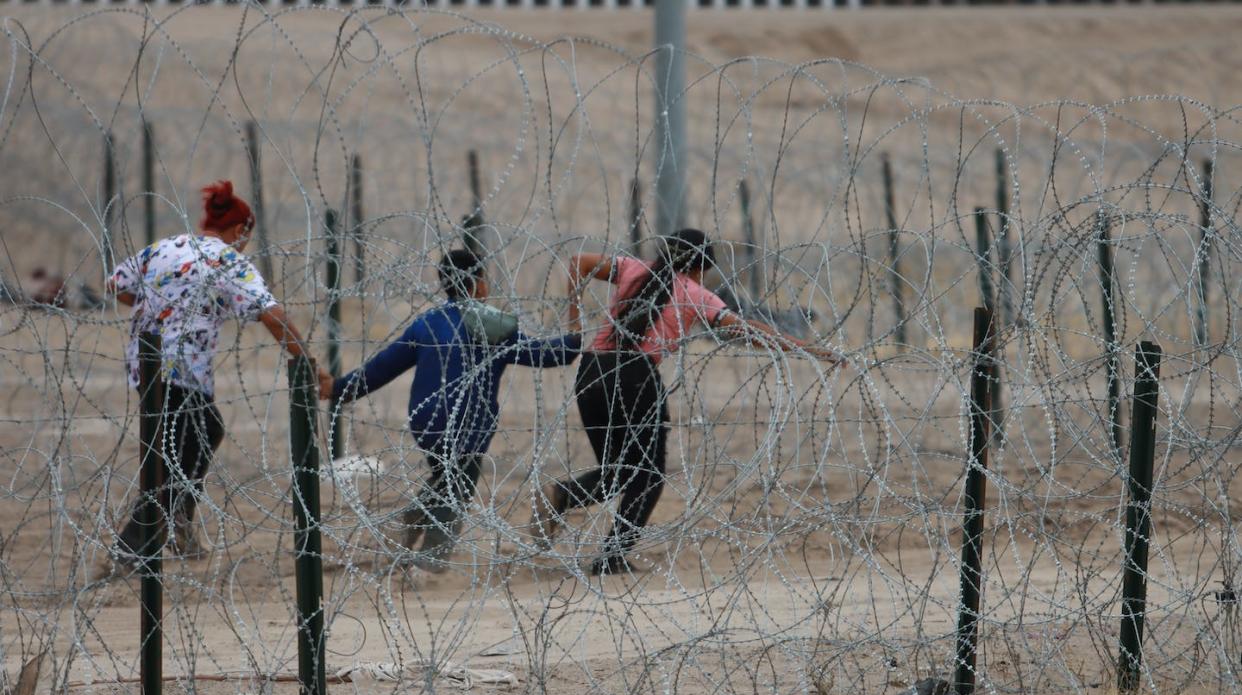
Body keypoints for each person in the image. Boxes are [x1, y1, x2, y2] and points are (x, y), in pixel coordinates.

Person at [532, 229, 841, 576]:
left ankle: (563, 496)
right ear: (700, 268)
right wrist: (807, 348)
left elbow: (578, 263)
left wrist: (573, 324)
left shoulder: (634, 269)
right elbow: (748, 330)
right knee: (647, 477)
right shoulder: (696, 294)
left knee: (617, 471)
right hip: (635, 377)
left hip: (593, 371)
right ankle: (610, 556)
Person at [103, 181, 329, 574]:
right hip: (182, 368)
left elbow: (116, 286)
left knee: (196, 435)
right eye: (247, 236)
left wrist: (159, 306)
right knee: (181, 449)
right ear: (241, 229)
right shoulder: (227, 261)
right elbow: (272, 315)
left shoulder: (165, 248)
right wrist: (307, 361)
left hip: (146, 363)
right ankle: (134, 547)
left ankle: (174, 522)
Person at [328, 248, 582, 573]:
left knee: (445, 479)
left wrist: (337, 388)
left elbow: (381, 368)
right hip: (467, 423)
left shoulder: (426, 323)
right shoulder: (488, 324)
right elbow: (545, 355)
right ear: (478, 284)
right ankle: (432, 561)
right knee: (457, 488)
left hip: (426, 421)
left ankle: (412, 521)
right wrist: (575, 337)